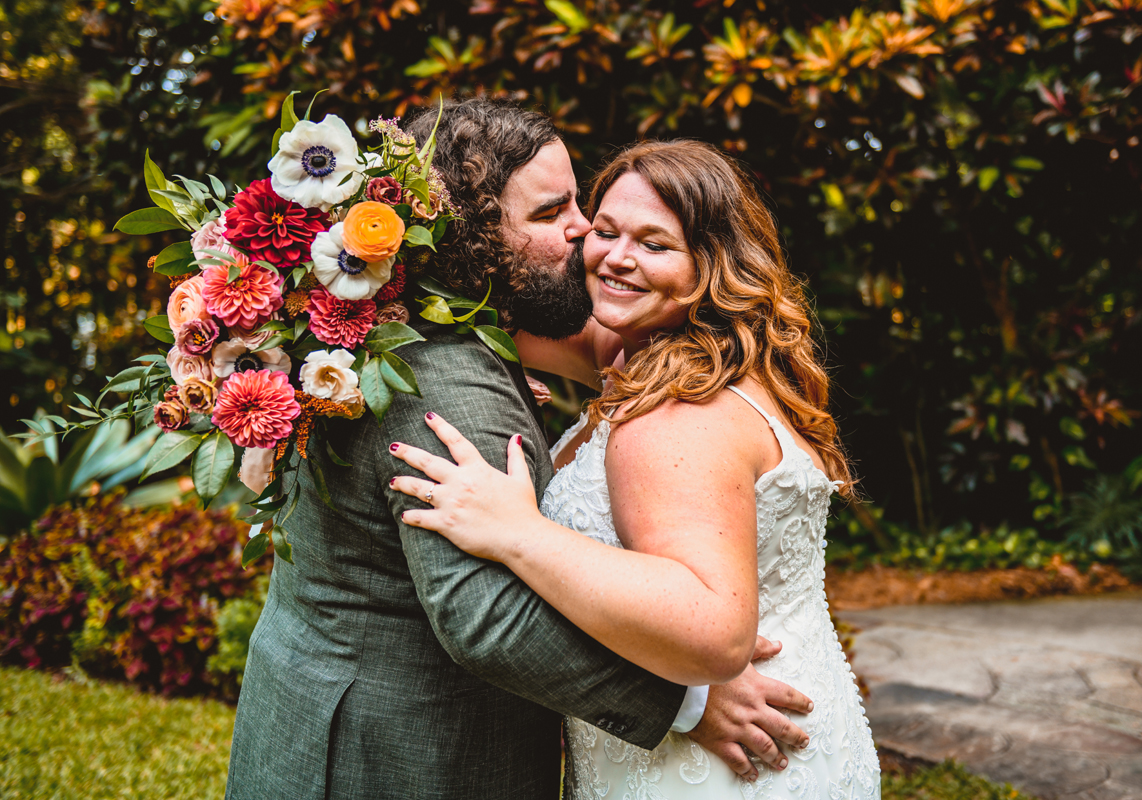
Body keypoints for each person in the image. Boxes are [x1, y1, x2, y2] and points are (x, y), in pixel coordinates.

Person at [225, 101, 812, 800]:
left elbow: (617, 327)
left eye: (578, 202)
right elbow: (489, 618)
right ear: (474, 236)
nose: (583, 229)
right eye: (549, 212)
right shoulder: (442, 383)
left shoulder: (419, 331)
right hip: (390, 756)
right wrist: (685, 704)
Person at [388, 139, 882, 798]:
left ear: (712, 265)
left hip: (719, 768)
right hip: (798, 738)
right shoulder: (658, 349)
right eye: (607, 231)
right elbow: (477, 311)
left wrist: (519, 532)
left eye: (655, 245)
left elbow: (711, 631)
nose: (618, 258)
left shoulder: (682, 412)